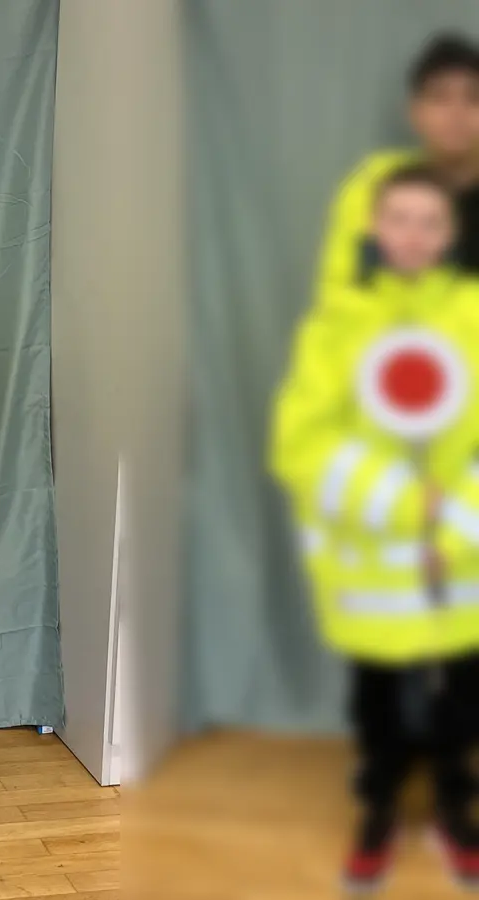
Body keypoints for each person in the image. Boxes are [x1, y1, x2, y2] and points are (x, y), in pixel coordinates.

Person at [271, 166, 479, 893]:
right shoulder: (338, 328)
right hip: (372, 572)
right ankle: (379, 816)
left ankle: (457, 814)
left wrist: (457, 517)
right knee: (380, 709)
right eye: (400, 218)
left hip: (466, 568)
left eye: (431, 221)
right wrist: (398, 499)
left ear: (450, 234)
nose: (415, 235)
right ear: (373, 229)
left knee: (463, 706)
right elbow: (303, 441)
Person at [316, 32, 479, 294]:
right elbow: (343, 286)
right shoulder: (375, 184)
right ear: (415, 113)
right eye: (440, 98)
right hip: (391, 330)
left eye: (473, 98)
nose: (456, 113)